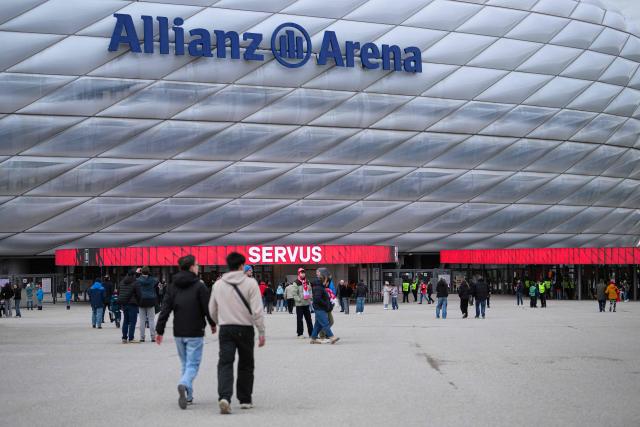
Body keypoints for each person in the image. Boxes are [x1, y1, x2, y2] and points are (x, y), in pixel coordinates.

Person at [157, 254, 216, 410]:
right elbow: (207, 308)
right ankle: (184, 384)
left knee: (185, 363)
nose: (198, 267)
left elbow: (165, 309)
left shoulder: (172, 286)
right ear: (191, 267)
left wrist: (159, 330)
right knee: (193, 364)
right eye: (197, 265)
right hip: (195, 331)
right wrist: (212, 323)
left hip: (179, 331)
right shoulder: (200, 286)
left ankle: (188, 396)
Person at [209, 252, 265, 414]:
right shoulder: (250, 283)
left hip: (226, 328)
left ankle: (224, 397)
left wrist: (219, 321)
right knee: (246, 363)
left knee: (225, 362)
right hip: (245, 328)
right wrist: (261, 331)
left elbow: (212, 309)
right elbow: (257, 310)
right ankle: (245, 399)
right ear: (242, 266)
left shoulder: (218, 284)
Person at [310, 268, 339, 345]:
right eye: (327, 280)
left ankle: (313, 338)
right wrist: (326, 304)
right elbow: (317, 299)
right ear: (324, 278)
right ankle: (332, 337)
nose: (328, 282)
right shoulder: (318, 287)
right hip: (319, 308)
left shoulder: (320, 286)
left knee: (318, 325)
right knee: (325, 323)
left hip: (320, 308)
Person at [135, 267, 159, 343]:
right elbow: (157, 280)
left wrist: (137, 273)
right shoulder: (152, 280)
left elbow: (135, 283)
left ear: (141, 272)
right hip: (151, 300)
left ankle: (142, 337)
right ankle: (153, 337)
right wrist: (149, 274)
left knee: (142, 320)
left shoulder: (138, 280)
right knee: (151, 320)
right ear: (149, 272)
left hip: (141, 300)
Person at [118, 270, 139, 343]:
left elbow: (119, 292)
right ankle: (131, 338)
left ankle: (124, 338)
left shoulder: (122, 282)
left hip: (124, 304)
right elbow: (138, 294)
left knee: (125, 321)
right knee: (132, 322)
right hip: (133, 304)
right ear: (133, 275)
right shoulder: (135, 283)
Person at [293, 268, 313, 338]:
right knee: (299, 319)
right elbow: (294, 293)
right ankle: (300, 334)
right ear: (299, 273)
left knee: (309, 319)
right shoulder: (296, 282)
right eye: (301, 273)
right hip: (300, 304)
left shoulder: (307, 281)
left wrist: (310, 297)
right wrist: (299, 300)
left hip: (306, 303)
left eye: (304, 272)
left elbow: (310, 290)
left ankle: (311, 333)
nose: (303, 274)